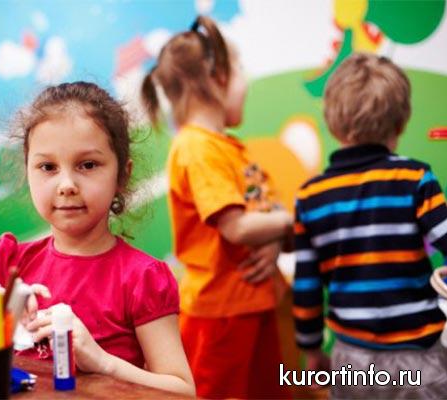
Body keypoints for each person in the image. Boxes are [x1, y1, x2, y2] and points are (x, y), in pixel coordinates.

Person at [0, 82, 195, 396]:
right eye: (48, 167)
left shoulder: (142, 278)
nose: (66, 184)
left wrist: (103, 362)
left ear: (122, 174)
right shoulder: (12, 264)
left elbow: (182, 390)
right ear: (28, 172)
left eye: (88, 165)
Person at [141, 15, 293, 399]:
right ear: (216, 76)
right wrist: (293, 220)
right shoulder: (197, 148)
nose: (248, 81)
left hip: (255, 302)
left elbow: (261, 217)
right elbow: (237, 228)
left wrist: (276, 240)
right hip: (222, 314)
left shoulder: (229, 148)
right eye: (240, 69)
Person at [293, 53, 447, 398]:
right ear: (401, 123)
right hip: (419, 354)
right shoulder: (415, 178)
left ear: (332, 123)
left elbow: (306, 286)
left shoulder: (310, 197)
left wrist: (311, 349)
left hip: (352, 358)